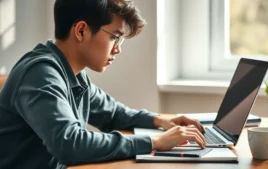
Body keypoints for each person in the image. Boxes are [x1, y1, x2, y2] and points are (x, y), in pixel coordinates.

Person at [0, 0, 206, 168]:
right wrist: (155, 142)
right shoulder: (40, 73)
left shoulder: (73, 74)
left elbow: (114, 114)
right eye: (114, 38)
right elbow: (70, 144)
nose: (118, 49)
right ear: (81, 31)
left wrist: (160, 121)